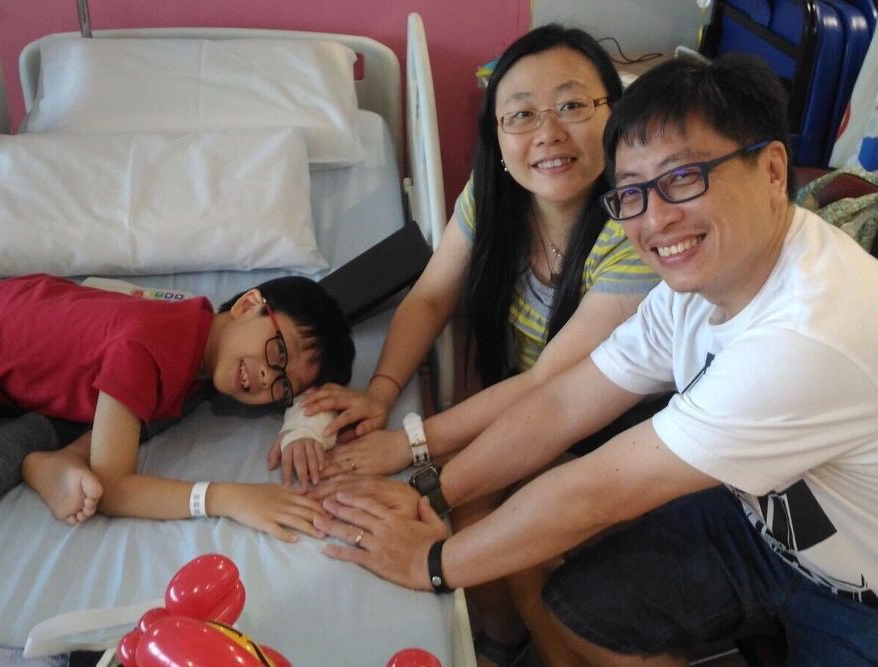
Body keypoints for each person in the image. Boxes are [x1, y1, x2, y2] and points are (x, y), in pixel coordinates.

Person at [314, 53, 878, 666]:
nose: (656, 219)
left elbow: (597, 492)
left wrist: (431, 563)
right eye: (632, 193)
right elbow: (562, 399)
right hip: (761, 525)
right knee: (579, 612)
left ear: (772, 171)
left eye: (684, 178)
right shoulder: (696, 285)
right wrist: (435, 495)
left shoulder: (804, 335)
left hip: (863, 595)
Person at [293, 23, 658, 456]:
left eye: (572, 105)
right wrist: (380, 394)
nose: (548, 133)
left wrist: (409, 444)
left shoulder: (637, 231)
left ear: (615, 113)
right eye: (522, 115)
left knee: (444, 506)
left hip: (614, 430)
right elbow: (431, 296)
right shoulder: (493, 197)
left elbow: (550, 384)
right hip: (529, 405)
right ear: (498, 136)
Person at [0, 273, 355, 542]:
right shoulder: (147, 349)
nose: (265, 378)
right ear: (249, 304)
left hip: (29, 355)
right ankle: (48, 455)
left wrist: (302, 424)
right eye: (277, 353)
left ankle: (66, 454)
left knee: (173, 407)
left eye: (283, 388)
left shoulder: (200, 333)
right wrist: (230, 498)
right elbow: (112, 490)